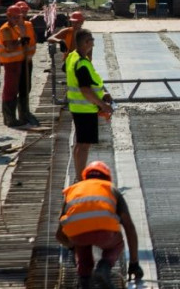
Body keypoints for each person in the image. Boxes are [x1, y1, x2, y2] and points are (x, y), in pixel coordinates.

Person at [56, 161, 142, 289]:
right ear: (107, 177)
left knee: (81, 245)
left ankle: (84, 278)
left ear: (85, 177)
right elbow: (129, 226)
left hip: (77, 234)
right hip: (105, 233)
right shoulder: (111, 189)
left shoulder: (73, 190)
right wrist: (134, 263)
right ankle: (104, 267)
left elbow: (59, 234)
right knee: (117, 244)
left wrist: (72, 246)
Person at [67, 28, 114, 181]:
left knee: (80, 143)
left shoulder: (72, 56)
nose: (93, 43)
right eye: (92, 40)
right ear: (86, 43)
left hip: (78, 107)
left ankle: (78, 175)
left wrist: (102, 94)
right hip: (85, 108)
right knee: (84, 145)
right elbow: (85, 90)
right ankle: (81, 179)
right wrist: (103, 104)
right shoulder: (81, 63)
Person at [0, 5, 27, 127]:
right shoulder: (6, 29)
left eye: (17, 17)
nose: (16, 19)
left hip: (16, 62)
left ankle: (11, 117)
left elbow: (21, 36)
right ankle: (9, 118)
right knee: (10, 90)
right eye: (14, 17)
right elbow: (10, 46)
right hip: (10, 63)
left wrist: (21, 28)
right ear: (8, 16)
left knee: (13, 90)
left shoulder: (15, 28)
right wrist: (20, 40)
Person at [15, 1, 40, 126]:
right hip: (17, 62)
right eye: (22, 11)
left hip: (28, 60)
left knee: (27, 86)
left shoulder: (29, 25)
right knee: (20, 87)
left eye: (25, 11)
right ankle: (21, 114)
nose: (24, 13)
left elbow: (33, 40)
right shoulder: (12, 27)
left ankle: (25, 111)